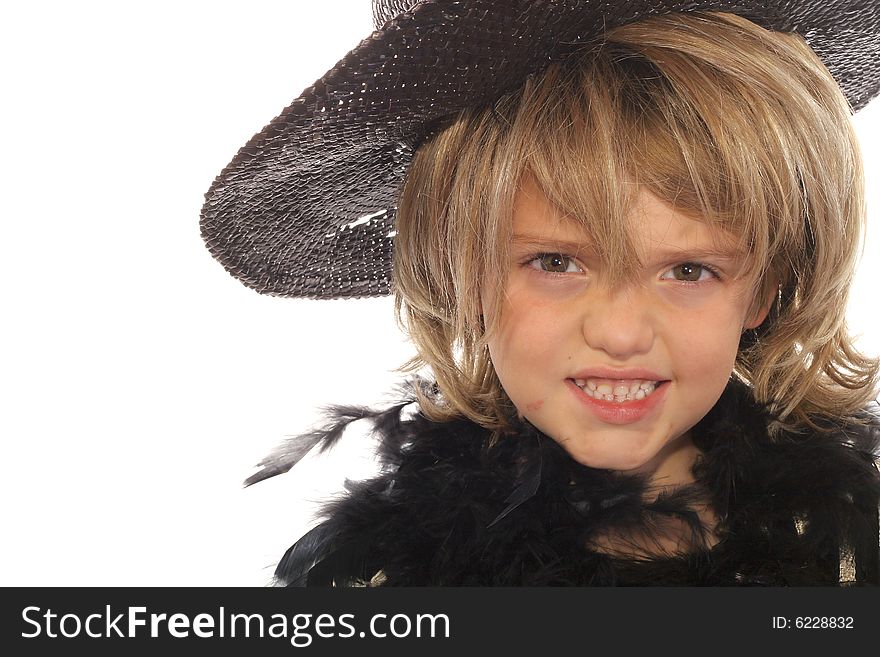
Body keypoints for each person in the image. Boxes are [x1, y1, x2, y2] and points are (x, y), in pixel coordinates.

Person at [200, 1, 880, 585]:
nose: (621, 334)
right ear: (466, 272)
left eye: (689, 271)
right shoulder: (373, 581)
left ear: (765, 286)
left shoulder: (850, 558)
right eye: (557, 261)